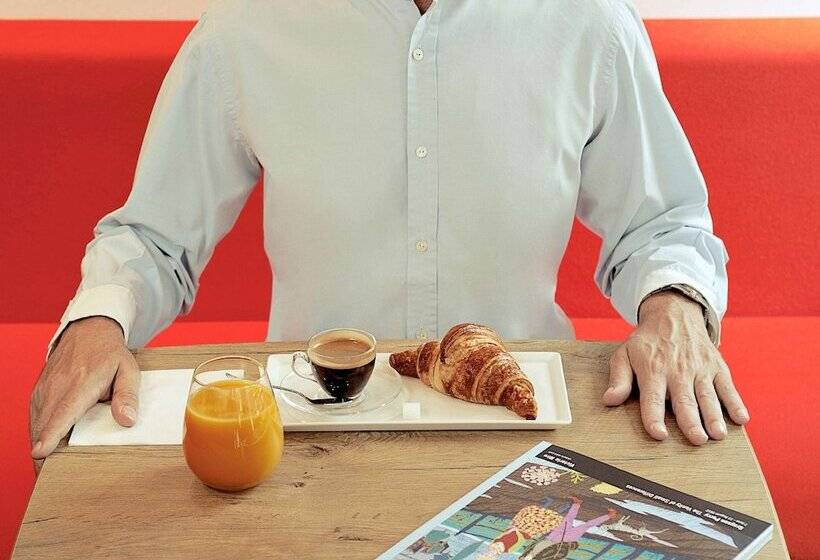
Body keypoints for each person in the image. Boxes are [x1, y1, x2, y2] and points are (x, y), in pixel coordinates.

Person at [30, 0, 749, 462]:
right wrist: (98, 321)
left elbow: (661, 222)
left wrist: (674, 309)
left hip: (526, 428)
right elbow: (156, 237)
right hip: (306, 436)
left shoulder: (589, 23)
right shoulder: (248, 25)